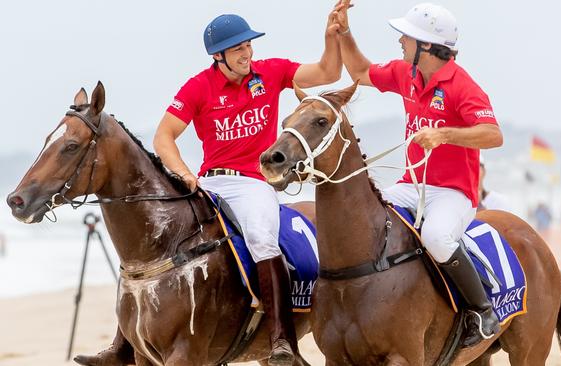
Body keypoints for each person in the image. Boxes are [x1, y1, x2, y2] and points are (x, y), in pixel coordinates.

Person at [75, 10, 342, 366]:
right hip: (211, 180)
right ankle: (123, 344)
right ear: (219, 56)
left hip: (253, 184)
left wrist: (333, 36)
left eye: (248, 46)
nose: (247, 54)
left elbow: (328, 72)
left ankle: (282, 340)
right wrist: (184, 172)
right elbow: (164, 136)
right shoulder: (198, 86)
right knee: (155, 239)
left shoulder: (272, 71)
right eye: (238, 50)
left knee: (262, 238)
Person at [331, 1, 503, 347]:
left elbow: (493, 134)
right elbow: (360, 72)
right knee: (369, 216)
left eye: (406, 38)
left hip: (453, 192)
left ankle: (482, 310)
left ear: (426, 46)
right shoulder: (406, 74)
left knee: (437, 238)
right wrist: (344, 33)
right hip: (411, 185)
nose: (400, 43)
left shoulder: (462, 85)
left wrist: (445, 134)